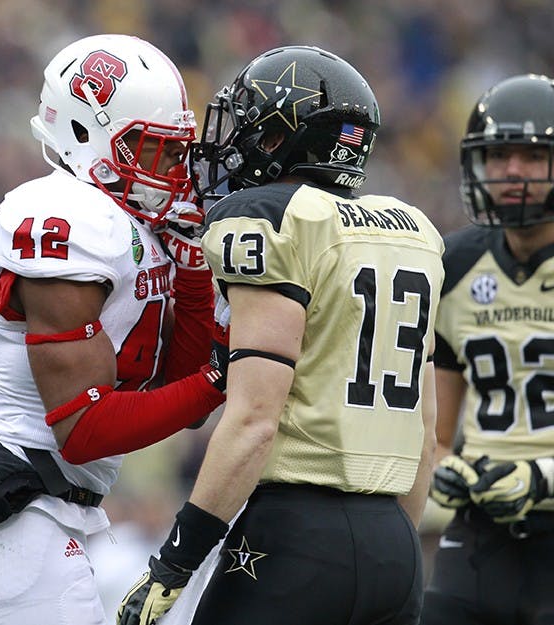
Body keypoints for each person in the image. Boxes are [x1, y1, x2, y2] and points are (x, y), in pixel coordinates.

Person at [117, 44, 445, 625]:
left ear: (283, 139)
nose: (235, 142)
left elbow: (253, 420)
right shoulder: (413, 230)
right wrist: (388, 545)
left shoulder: (269, 216)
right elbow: (424, 430)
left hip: (296, 535)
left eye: (252, 129)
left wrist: (175, 562)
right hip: (394, 544)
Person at [0, 34, 228, 625]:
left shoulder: (130, 224)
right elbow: (83, 430)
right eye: (149, 149)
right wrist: (223, 375)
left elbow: (181, 398)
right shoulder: (65, 215)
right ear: (85, 133)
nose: (170, 171)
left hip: (39, 516)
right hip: (23, 517)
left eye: (175, 152)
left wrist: (189, 271)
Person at [422, 74, 554, 625]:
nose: (513, 173)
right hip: (484, 521)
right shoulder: (454, 263)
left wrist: (543, 476)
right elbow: (440, 431)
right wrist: (444, 471)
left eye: (531, 156)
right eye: (500, 155)